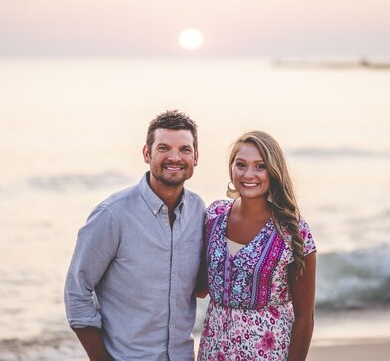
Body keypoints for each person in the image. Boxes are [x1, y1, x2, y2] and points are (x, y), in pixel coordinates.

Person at [64, 110, 205, 361]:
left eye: (184, 149)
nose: (175, 157)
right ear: (146, 153)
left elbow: (200, 286)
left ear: (196, 156)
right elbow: (77, 291)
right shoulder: (112, 215)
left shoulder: (199, 212)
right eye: (164, 148)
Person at [197, 130, 317, 361]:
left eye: (260, 166)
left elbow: (305, 316)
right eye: (241, 165)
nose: (249, 174)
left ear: (273, 171)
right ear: (231, 168)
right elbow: (200, 287)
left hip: (268, 352)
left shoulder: (293, 231)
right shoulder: (214, 215)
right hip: (214, 350)